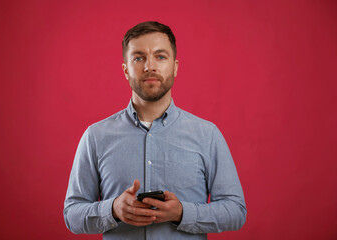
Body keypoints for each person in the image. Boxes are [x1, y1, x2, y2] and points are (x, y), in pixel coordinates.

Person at [63, 21, 246, 239]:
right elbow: (72, 215)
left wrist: (182, 213)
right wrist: (112, 210)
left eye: (160, 56)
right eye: (138, 58)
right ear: (125, 70)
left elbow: (236, 211)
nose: (150, 66)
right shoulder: (95, 137)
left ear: (175, 67)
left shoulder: (208, 135)